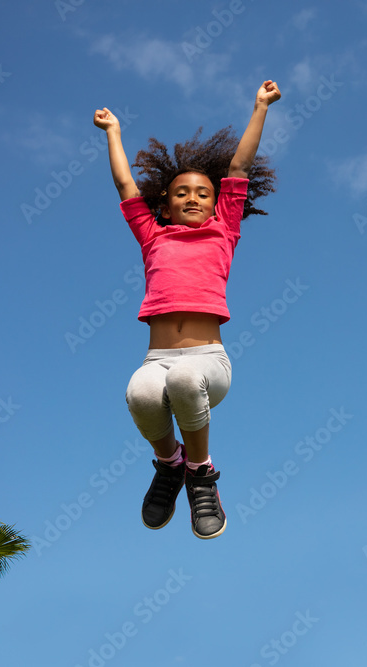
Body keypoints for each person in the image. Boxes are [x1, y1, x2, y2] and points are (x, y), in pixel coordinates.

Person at [93, 80, 280, 539]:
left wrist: (260, 107)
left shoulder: (223, 232)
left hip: (207, 361)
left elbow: (240, 164)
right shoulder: (152, 235)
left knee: (182, 381)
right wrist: (113, 132)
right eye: (181, 193)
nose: (192, 197)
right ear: (165, 204)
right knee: (139, 393)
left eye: (202, 192)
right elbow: (123, 184)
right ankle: (170, 464)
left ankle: (201, 474)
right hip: (156, 358)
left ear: (218, 203)